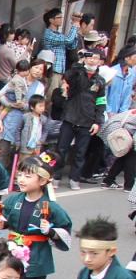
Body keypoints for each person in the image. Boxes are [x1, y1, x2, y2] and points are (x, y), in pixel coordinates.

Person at [0, 153, 72, 279]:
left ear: (43, 181)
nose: (21, 179)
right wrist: (3, 224)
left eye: (28, 176)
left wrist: (50, 231)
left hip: (36, 258)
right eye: (20, 174)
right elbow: (9, 219)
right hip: (13, 254)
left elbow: (65, 230)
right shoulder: (14, 200)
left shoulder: (50, 206)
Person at [58, 49, 107, 190]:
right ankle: (55, 176)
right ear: (85, 59)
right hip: (70, 117)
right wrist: (78, 63)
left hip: (87, 120)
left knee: (80, 152)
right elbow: (67, 77)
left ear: (100, 61)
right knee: (61, 149)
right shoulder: (77, 73)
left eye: (95, 58)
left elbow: (101, 103)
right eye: (89, 57)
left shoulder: (100, 81)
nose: (92, 60)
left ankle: (75, 179)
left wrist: (97, 122)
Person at [42, 9, 80, 94]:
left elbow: (72, 45)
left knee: (58, 96)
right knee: (51, 96)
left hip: (60, 71)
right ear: (51, 20)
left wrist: (75, 29)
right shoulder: (48, 34)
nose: (61, 19)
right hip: (53, 71)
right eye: (59, 17)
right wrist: (74, 25)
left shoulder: (59, 34)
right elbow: (68, 40)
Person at [106, 46, 136, 115]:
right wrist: (108, 111)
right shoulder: (112, 72)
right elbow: (105, 94)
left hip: (121, 114)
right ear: (127, 58)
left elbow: (127, 96)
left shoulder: (131, 74)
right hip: (107, 112)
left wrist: (123, 112)